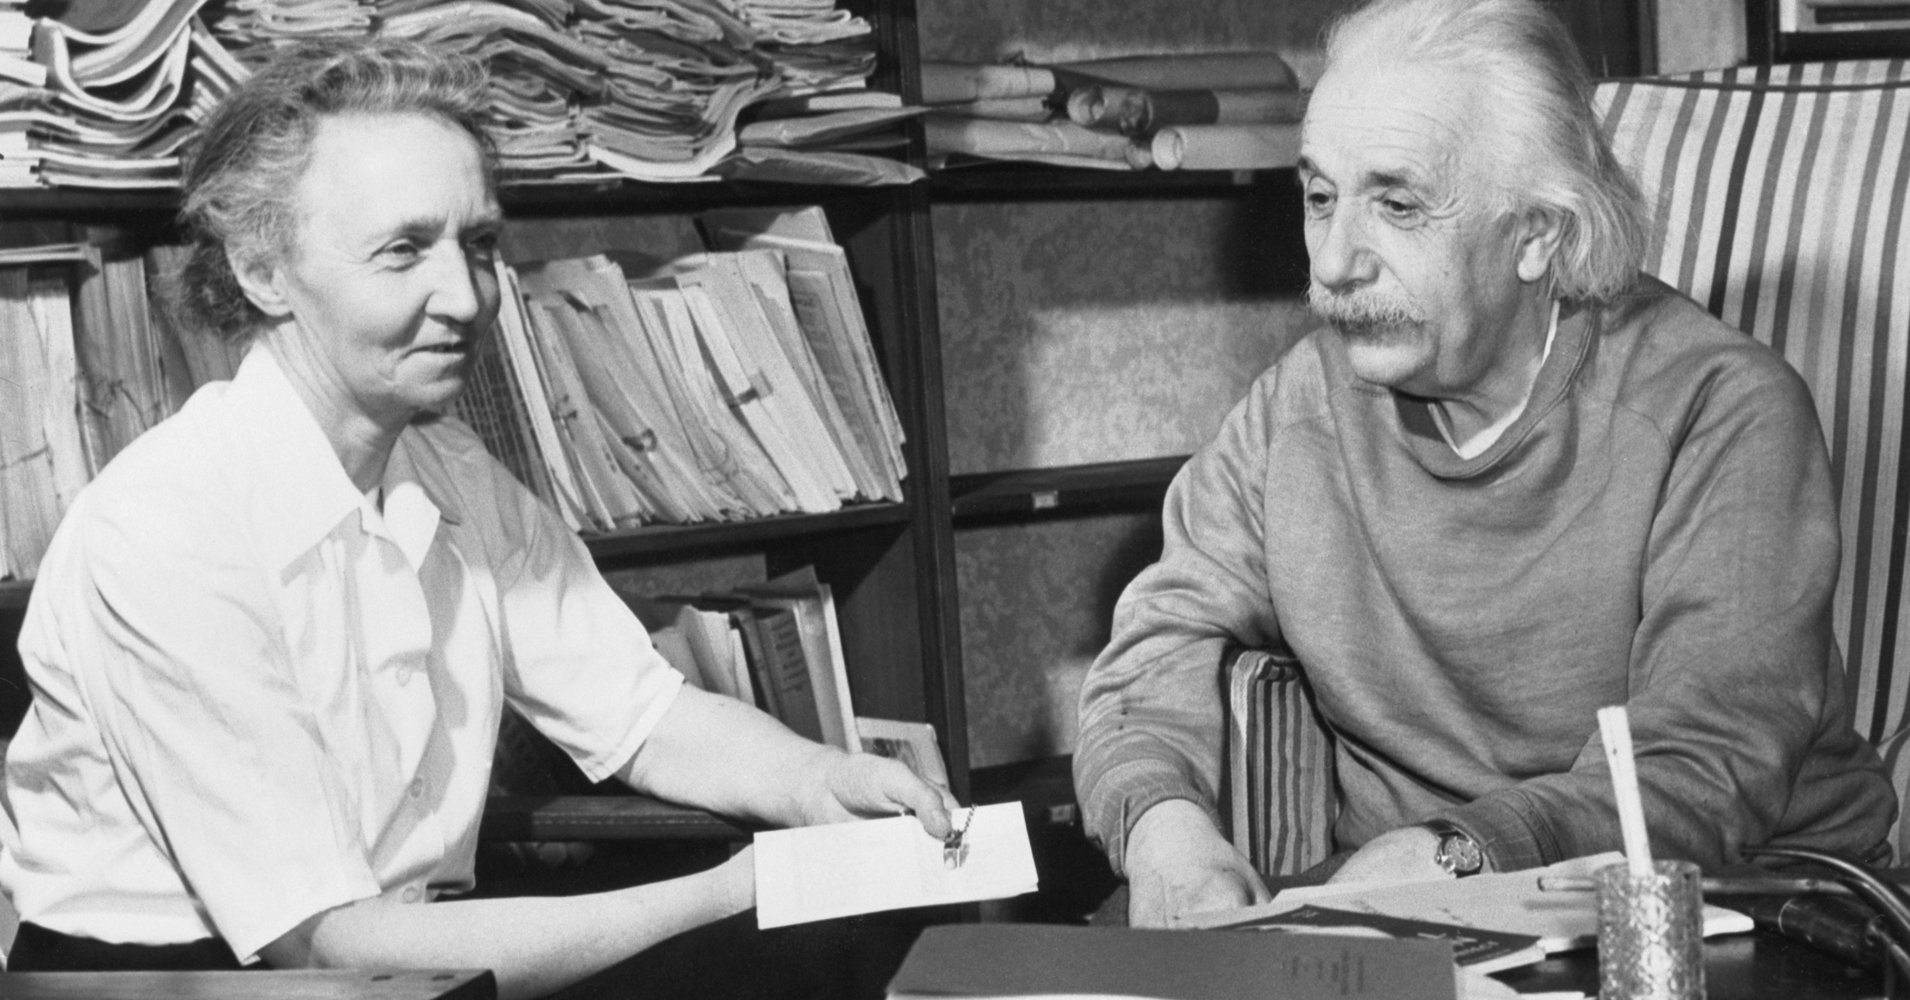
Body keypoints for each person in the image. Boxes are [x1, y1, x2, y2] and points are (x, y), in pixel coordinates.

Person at [0, 37, 953, 998]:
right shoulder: (166, 530)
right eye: (403, 250)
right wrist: (739, 891)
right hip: (185, 986)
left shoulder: (446, 463)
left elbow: (645, 716)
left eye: (481, 245)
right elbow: (327, 947)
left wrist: (816, 782)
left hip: (415, 956)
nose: (465, 297)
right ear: (262, 270)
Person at [1073, 0, 1896, 928]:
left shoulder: (1719, 408)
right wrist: (1165, 833)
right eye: (1320, 197)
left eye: (1397, 204)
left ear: (1535, 234)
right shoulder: (1297, 408)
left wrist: (1461, 854)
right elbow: (1157, 641)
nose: (1334, 263)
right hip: (1397, 914)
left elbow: (1706, 767)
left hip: (1743, 908)